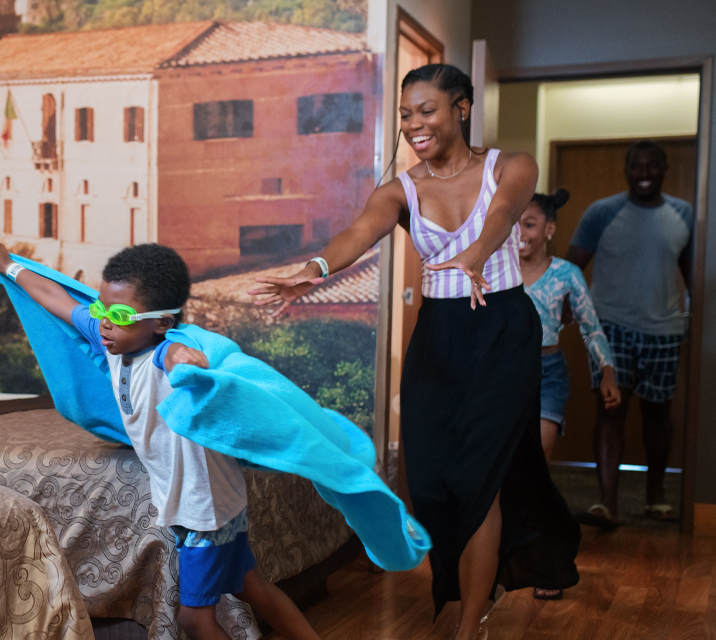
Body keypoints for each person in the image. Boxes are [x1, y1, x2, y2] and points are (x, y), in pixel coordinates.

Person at [248, 64, 580, 640]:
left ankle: (467, 620)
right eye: (405, 114)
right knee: (425, 480)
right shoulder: (401, 189)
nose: (414, 124)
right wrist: (316, 269)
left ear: (462, 108)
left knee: (480, 478)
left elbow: (503, 214)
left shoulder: (511, 165)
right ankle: (459, 589)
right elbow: (358, 232)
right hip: (439, 336)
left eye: (426, 110)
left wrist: (477, 252)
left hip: (502, 329)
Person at [0, 240, 323, 640]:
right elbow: (56, 298)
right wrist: (8, 267)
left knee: (195, 620)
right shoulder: (114, 338)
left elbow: (175, 352)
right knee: (250, 586)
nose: (105, 322)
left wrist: (184, 359)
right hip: (209, 504)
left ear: (160, 322)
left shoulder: (161, 354)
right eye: (101, 310)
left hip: (204, 514)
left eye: (119, 314)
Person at [566, 140, 693, 527]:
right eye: (636, 167)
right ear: (626, 171)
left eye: (651, 166)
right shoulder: (601, 212)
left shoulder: (683, 213)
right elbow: (572, 268)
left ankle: (656, 496)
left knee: (658, 414)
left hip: (664, 330)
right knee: (611, 411)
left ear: (663, 169)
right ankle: (607, 503)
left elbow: (693, 273)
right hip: (609, 329)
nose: (643, 173)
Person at [517, 189, 622, 600]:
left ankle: (547, 559)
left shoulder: (566, 275)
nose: (519, 233)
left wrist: (608, 374)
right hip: (506, 378)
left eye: (528, 223)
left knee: (537, 464)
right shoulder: (497, 269)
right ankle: (506, 554)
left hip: (548, 374)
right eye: (514, 224)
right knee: (505, 468)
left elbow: (591, 327)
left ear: (549, 229)